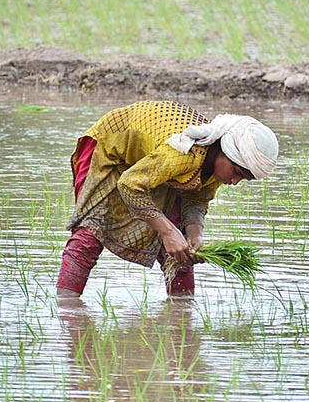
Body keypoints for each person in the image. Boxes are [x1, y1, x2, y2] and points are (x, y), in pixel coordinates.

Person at [56, 100, 279, 298]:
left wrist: (194, 234)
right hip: (109, 151)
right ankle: (67, 312)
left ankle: (181, 314)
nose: (235, 182)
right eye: (238, 173)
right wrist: (167, 231)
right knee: (90, 234)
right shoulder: (183, 154)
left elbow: (197, 199)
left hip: (152, 164)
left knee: (180, 250)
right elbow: (129, 184)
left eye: (243, 179)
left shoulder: (216, 165)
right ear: (225, 152)